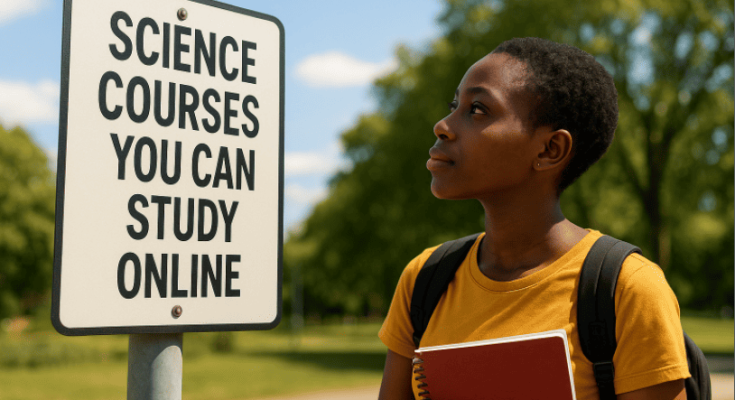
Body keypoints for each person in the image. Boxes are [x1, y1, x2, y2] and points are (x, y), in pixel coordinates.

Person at [377, 37, 690, 400]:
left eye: (477, 109)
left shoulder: (629, 289)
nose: (443, 125)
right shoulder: (424, 279)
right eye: (453, 105)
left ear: (549, 149)